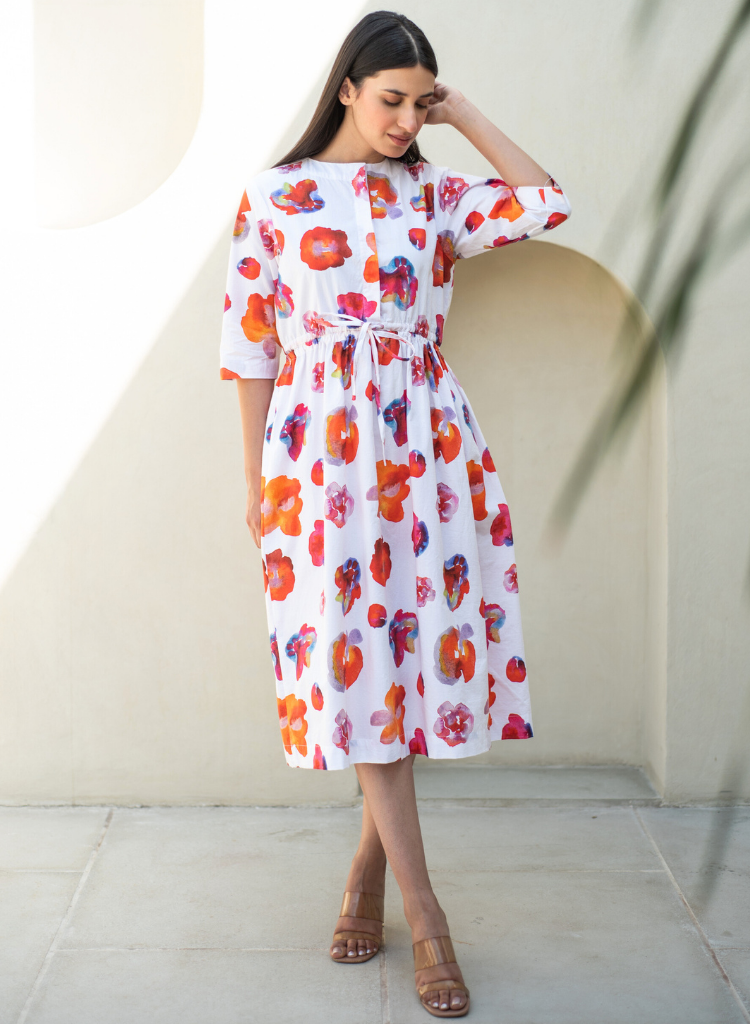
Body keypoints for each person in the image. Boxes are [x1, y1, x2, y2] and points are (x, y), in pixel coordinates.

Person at [219, 10, 570, 1018]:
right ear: (345, 89)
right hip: (319, 461)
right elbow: (250, 350)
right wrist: (256, 483)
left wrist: (466, 117)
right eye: (391, 100)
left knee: (408, 667)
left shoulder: (435, 193)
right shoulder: (274, 197)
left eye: (421, 103)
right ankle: (428, 915)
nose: (406, 120)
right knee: (358, 663)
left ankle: (368, 876)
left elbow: (547, 202)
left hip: (429, 453)